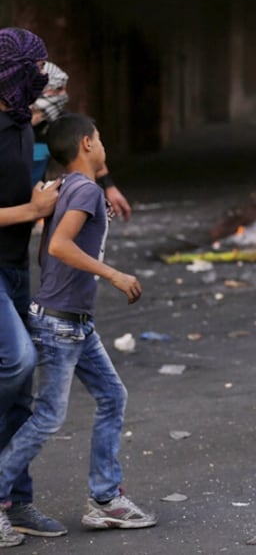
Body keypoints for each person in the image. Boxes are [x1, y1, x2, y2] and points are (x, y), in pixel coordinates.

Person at [0, 113, 156, 541]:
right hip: (62, 324)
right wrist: (114, 275)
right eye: (101, 138)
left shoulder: (64, 187)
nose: (104, 145)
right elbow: (59, 246)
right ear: (87, 144)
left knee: (111, 395)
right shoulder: (84, 189)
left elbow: (47, 254)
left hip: (73, 322)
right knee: (49, 416)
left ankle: (105, 500)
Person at [0, 27, 65, 547]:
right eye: (37, 66)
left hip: (16, 267)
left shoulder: (22, 123)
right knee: (16, 362)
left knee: (23, 388)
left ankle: (15, 500)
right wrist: (32, 209)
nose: (44, 74)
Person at [31, 62, 133, 221]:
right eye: (58, 90)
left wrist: (109, 187)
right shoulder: (13, 127)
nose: (64, 95)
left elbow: (88, 153)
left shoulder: (62, 124)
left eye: (65, 89)